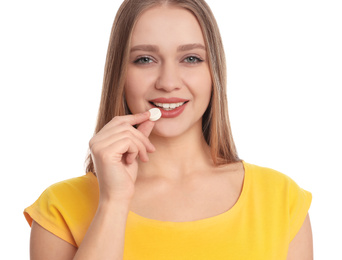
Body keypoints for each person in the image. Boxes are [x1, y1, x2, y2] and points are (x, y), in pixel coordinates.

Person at [24, 0, 313, 259]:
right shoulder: (60, 209)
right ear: (120, 74)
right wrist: (113, 202)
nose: (168, 82)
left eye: (191, 58)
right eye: (144, 59)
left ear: (214, 73)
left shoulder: (280, 200)